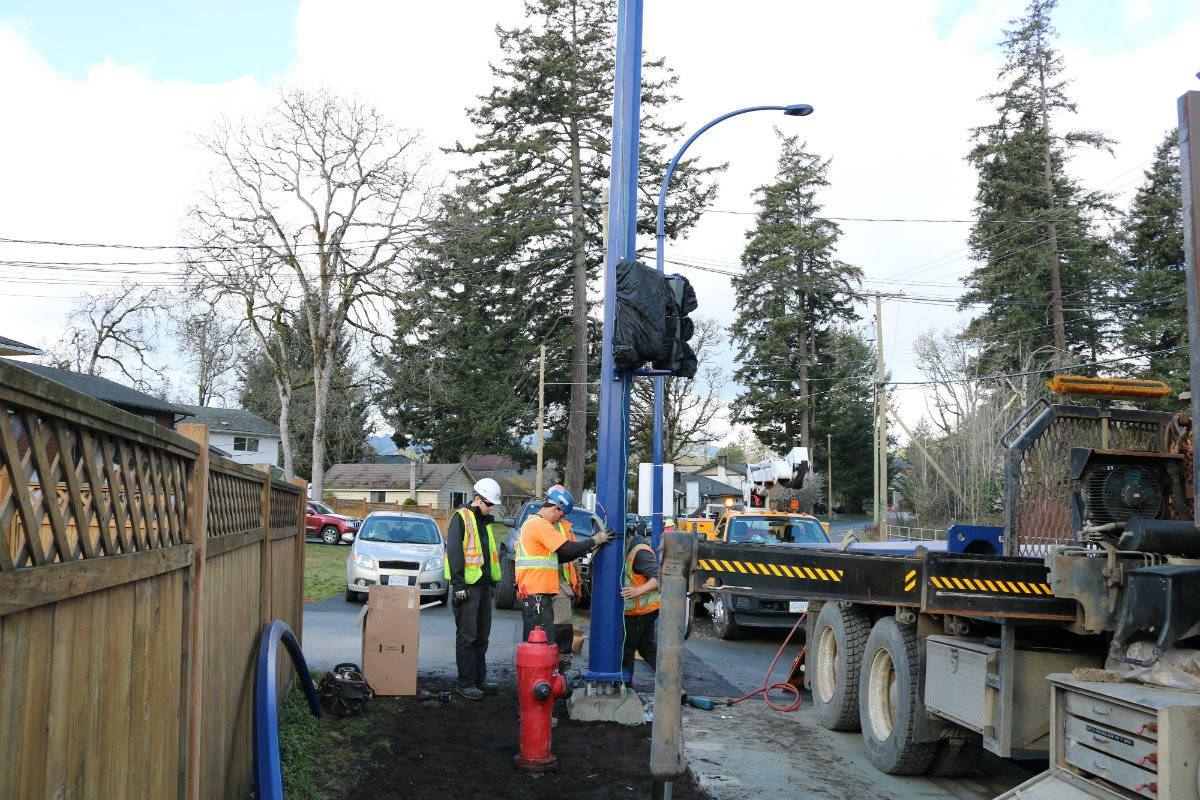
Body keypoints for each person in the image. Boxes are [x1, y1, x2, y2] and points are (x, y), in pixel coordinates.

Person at [516, 485, 610, 648]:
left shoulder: (532, 524)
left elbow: (564, 556)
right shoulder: (540, 524)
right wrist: (594, 540)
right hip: (536, 591)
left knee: (538, 637)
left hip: (535, 590)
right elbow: (567, 548)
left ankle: (540, 671)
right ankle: (539, 672)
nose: (560, 519)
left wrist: (588, 546)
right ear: (555, 508)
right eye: (561, 514)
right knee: (540, 641)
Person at [444, 478, 504, 700]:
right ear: (477, 498)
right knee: (467, 636)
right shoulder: (461, 518)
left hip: (484, 586)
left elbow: (487, 555)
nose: (491, 508)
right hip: (467, 588)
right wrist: (458, 585)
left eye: (493, 505)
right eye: (489, 504)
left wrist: (493, 582)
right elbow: (455, 552)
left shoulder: (485, 521)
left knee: (482, 637)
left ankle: (479, 680)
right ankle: (466, 683)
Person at [621, 518, 661, 687]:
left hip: (640, 611)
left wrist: (637, 591)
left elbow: (659, 578)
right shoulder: (631, 548)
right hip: (644, 610)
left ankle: (625, 687)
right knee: (647, 648)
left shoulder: (639, 552)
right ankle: (672, 685)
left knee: (627, 650)